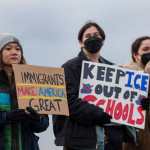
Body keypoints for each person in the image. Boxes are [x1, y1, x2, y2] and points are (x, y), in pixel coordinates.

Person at [53, 21, 112, 150]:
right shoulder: (70, 67)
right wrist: (97, 113)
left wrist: (140, 104)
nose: (93, 38)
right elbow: (68, 102)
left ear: (102, 39)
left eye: (96, 35)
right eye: (88, 36)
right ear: (80, 42)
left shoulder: (113, 69)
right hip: (80, 141)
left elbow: (124, 102)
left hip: (109, 140)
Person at [0, 34, 49, 150]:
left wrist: (36, 118)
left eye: (18, 49)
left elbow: (43, 125)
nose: (14, 52)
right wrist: (6, 117)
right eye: (8, 48)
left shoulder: (33, 81)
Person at [122, 36, 150, 150]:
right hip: (135, 142)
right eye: (146, 49)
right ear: (136, 55)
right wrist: (146, 75)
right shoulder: (123, 76)